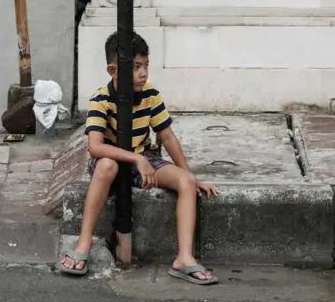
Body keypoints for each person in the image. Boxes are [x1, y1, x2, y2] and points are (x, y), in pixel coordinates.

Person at [59, 31, 220, 284]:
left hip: (145, 159)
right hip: (111, 161)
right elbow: (95, 147)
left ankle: (184, 258)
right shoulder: (101, 99)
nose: (143, 73)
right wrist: (136, 159)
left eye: (145, 66)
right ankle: (83, 242)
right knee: (107, 166)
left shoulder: (151, 95)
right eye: (135, 68)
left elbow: (167, 137)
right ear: (113, 70)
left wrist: (190, 175)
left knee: (186, 183)